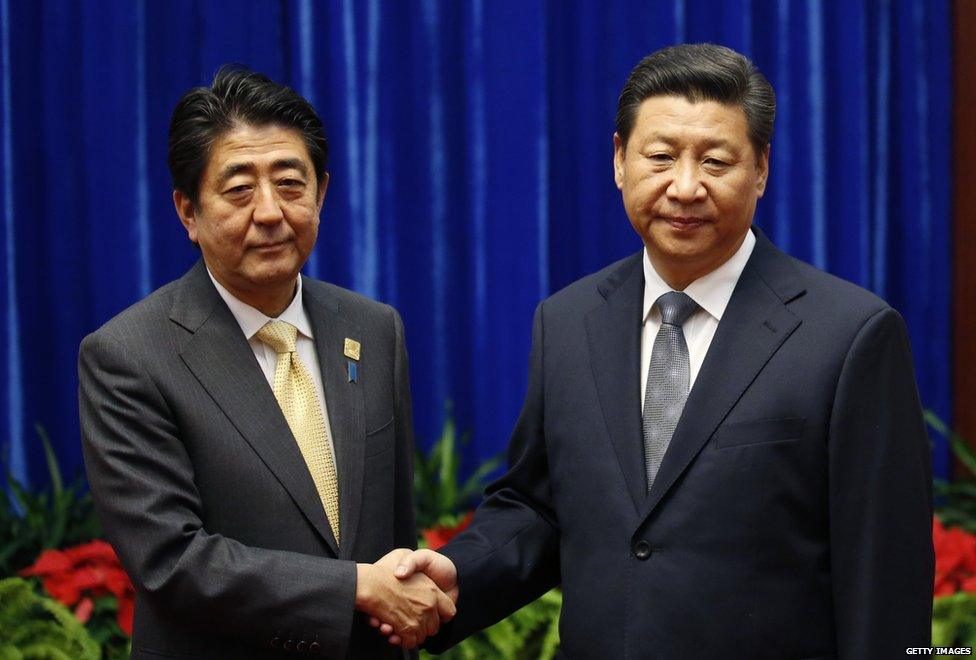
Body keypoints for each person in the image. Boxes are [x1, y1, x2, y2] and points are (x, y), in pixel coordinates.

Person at [386, 44, 934, 659]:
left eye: (716, 161)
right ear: (620, 160)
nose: (685, 186)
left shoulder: (850, 334)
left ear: (761, 170)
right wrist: (460, 573)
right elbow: (538, 506)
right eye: (661, 156)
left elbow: (884, 572)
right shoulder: (567, 321)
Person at [79, 66, 453, 659]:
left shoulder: (373, 329)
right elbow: (171, 562)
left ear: (321, 192)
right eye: (238, 190)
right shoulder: (129, 355)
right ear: (187, 212)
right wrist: (356, 588)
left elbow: (394, 534)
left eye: (290, 183)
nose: (271, 211)